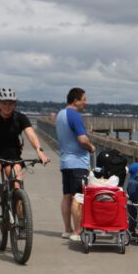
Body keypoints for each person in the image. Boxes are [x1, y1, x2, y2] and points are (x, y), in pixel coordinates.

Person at [0, 88, 48, 224]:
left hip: (12, 155)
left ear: (15, 104)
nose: (7, 106)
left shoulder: (20, 118)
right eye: (4, 103)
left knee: (17, 185)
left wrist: (39, 150)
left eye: (11, 103)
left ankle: (21, 222)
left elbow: (31, 134)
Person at [54, 88, 94, 238]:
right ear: (76, 100)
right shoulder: (75, 116)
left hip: (65, 161)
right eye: (84, 99)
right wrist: (91, 147)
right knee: (78, 197)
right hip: (78, 162)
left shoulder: (60, 114)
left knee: (66, 196)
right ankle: (77, 232)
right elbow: (82, 139)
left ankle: (67, 229)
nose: (86, 102)